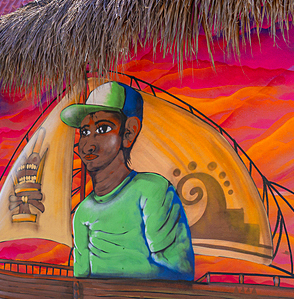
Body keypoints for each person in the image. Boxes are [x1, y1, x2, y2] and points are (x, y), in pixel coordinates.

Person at [60, 81, 194, 280]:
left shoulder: (152, 191)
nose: (88, 145)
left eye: (103, 129)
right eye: (85, 132)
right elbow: (80, 283)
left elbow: (179, 273)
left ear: (129, 132)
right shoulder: (82, 212)